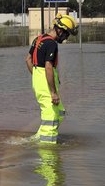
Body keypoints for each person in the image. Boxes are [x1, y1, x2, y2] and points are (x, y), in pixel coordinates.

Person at [25, 14, 78, 145]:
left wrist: (37, 76)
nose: (66, 38)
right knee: (51, 116)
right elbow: (48, 67)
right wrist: (53, 92)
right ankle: (48, 150)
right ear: (60, 30)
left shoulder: (39, 39)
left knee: (59, 112)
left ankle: (38, 138)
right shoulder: (51, 44)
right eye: (66, 34)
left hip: (39, 81)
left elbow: (28, 59)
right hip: (46, 85)